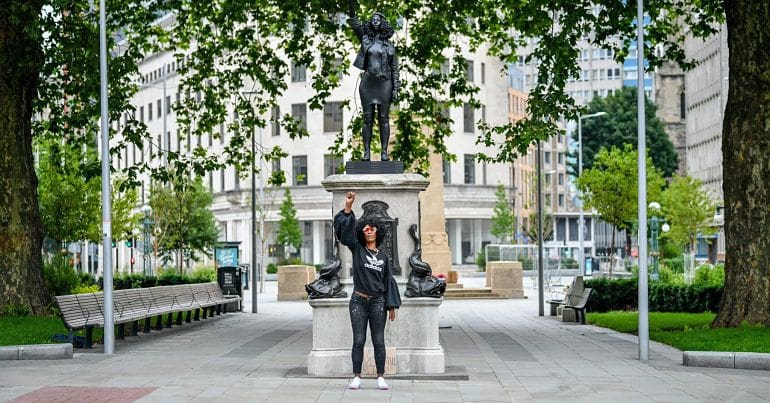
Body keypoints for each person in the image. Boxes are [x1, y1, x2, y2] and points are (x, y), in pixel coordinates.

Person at [334, 191, 400, 390]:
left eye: (372, 228)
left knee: (379, 340)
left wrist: (391, 306)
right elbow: (344, 234)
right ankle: (357, 376)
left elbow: (388, 281)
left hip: (378, 302)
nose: (369, 230)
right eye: (366, 228)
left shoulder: (383, 257)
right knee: (359, 339)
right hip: (358, 301)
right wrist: (348, 207)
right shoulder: (357, 249)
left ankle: (380, 377)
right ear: (362, 232)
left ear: (377, 232)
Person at [347, 2, 400, 161]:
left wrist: (396, 89)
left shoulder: (390, 46)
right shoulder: (364, 39)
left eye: (378, 18)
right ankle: (366, 152)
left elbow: (395, 68)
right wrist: (351, 4)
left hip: (385, 82)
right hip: (368, 82)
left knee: (383, 118)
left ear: (383, 23)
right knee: (367, 118)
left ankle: (384, 152)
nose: (375, 20)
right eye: (373, 18)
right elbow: (354, 21)